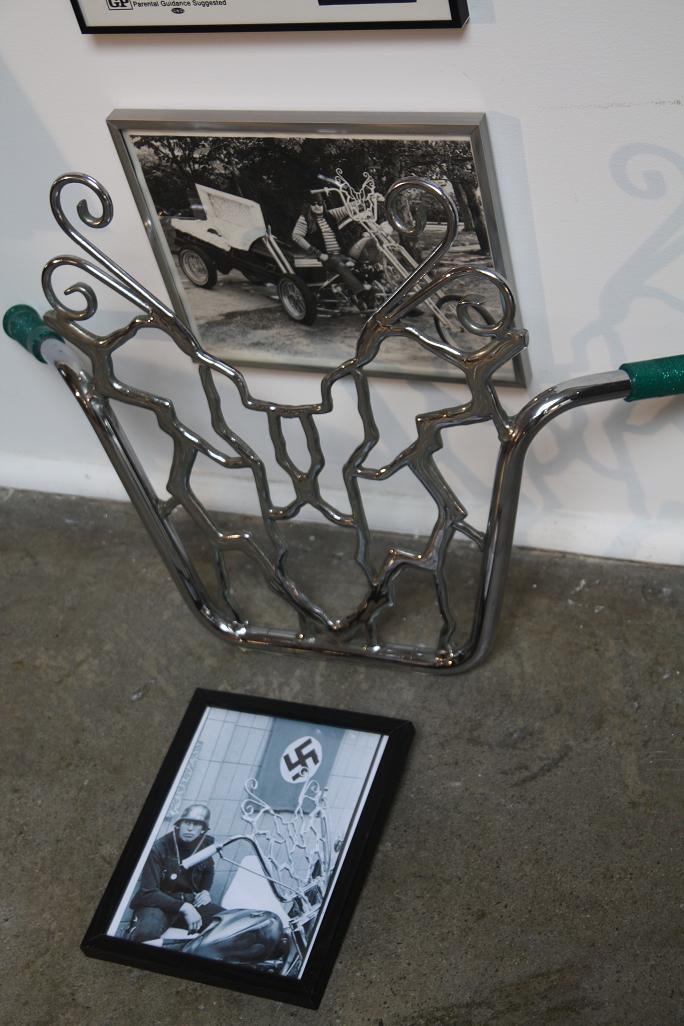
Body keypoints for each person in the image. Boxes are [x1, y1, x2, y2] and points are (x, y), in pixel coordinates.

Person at [128, 803, 224, 944]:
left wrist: (205, 891)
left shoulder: (205, 845)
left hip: (190, 902)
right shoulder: (159, 848)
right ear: (179, 824)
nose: (190, 828)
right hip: (158, 904)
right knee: (145, 935)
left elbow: (208, 871)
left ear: (203, 829)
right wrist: (184, 908)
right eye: (187, 823)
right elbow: (147, 892)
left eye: (196, 824)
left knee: (228, 923)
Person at [291, 194, 375, 311]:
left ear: (323, 204)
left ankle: (367, 300)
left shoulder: (330, 215)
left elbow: (347, 208)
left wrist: (368, 199)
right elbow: (296, 236)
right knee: (339, 265)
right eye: (313, 204)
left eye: (320, 203)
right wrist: (317, 253)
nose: (317, 206)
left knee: (361, 266)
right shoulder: (305, 219)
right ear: (308, 206)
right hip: (325, 257)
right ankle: (361, 293)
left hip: (341, 254)